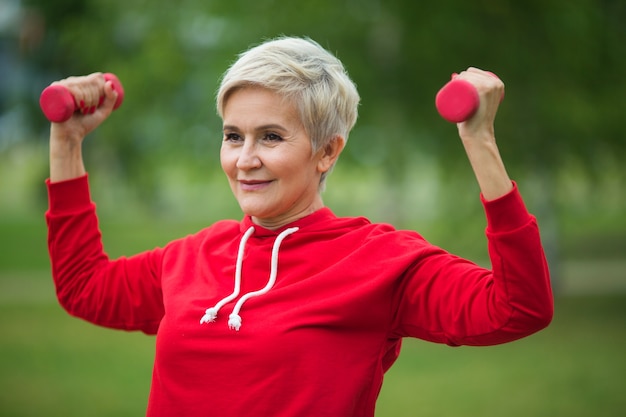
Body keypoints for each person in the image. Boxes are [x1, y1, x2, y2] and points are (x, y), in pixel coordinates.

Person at [45, 36, 553, 416]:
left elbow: (518, 308)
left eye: (270, 137)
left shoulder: (381, 262)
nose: (245, 159)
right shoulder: (195, 256)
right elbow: (84, 287)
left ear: (327, 151)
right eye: (232, 136)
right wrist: (67, 142)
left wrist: (478, 139)